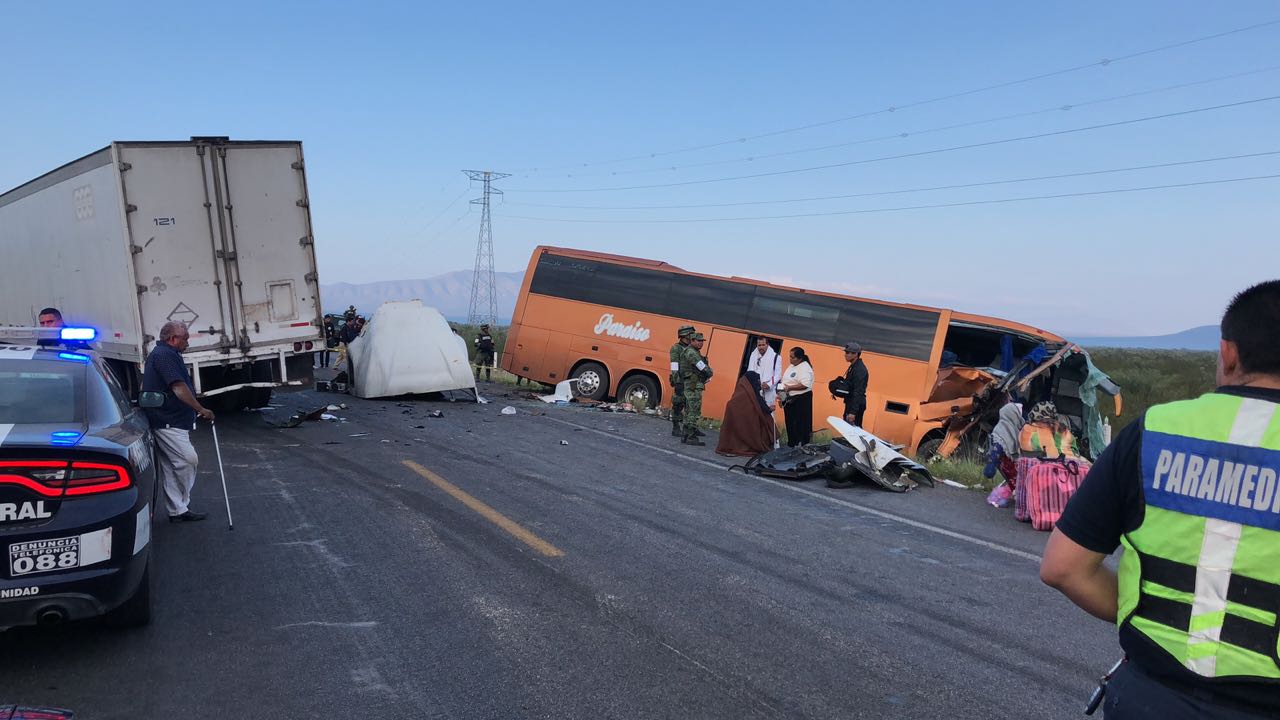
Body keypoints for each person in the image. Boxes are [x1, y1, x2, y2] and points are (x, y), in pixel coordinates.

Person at [1041, 279, 1280, 719]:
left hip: (1149, 698)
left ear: (1228, 353)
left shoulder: (1154, 431)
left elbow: (1063, 567)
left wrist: (1155, 619)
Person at [141, 321, 214, 523]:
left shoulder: (165, 354)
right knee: (188, 460)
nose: (187, 343)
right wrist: (200, 409)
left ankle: (177, 509)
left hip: (168, 418)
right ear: (173, 339)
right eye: (185, 339)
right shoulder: (165, 355)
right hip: (167, 419)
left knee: (171, 465)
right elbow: (178, 387)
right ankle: (181, 502)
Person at [715, 370, 776, 457]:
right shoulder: (751, 396)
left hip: (732, 438)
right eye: (758, 381)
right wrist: (769, 409)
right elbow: (761, 407)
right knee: (767, 418)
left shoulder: (738, 394)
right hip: (749, 432)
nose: (759, 383)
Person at [678, 331, 713, 446]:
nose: (701, 343)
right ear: (692, 341)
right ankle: (690, 436)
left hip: (692, 384)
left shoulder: (692, 351)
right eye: (698, 341)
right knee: (694, 410)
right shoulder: (692, 353)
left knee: (690, 410)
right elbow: (703, 368)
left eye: (702, 341)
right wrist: (709, 372)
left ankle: (685, 433)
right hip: (693, 385)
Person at [779, 347, 815, 447]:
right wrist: (782, 396)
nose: (790, 359)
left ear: (799, 358)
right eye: (789, 356)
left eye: (792, 357)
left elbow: (805, 384)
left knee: (800, 424)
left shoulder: (805, 367)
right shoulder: (792, 366)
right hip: (789, 398)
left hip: (801, 399)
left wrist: (789, 388)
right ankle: (792, 443)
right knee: (790, 423)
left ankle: (800, 444)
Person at [669, 325, 696, 436]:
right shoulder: (676, 348)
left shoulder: (690, 348)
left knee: (691, 405)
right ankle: (676, 428)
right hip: (681, 380)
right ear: (685, 335)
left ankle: (690, 427)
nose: (692, 337)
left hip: (690, 381)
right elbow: (674, 366)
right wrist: (677, 382)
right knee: (678, 405)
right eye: (691, 334)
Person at [839, 341, 869, 427]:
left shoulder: (859, 370)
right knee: (848, 430)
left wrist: (853, 412)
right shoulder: (853, 366)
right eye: (845, 352)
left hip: (855, 405)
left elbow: (858, 391)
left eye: (848, 352)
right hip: (851, 403)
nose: (845, 354)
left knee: (853, 432)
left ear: (855, 354)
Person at [747, 336, 782, 409]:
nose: (761, 347)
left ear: (767, 345)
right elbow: (750, 371)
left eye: (763, 345)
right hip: (755, 388)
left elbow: (778, 375)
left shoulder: (776, 357)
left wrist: (768, 384)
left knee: (768, 414)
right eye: (759, 345)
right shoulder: (753, 355)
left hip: (768, 390)